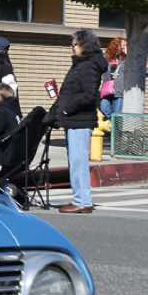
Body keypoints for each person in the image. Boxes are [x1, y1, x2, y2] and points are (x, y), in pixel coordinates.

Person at [53, 29, 107, 214]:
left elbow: (89, 95)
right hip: (75, 119)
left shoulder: (88, 66)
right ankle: (82, 200)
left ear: (85, 45)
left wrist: (68, 108)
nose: (72, 47)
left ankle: (82, 201)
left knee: (78, 162)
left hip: (80, 120)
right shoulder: (83, 64)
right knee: (76, 161)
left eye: (74, 44)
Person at [98, 37, 126, 121]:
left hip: (119, 90)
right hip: (107, 89)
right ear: (116, 45)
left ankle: (115, 125)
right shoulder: (106, 58)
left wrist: (127, 54)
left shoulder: (125, 59)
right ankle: (112, 122)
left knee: (117, 114)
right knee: (104, 107)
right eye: (123, 45)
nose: (124, 47)